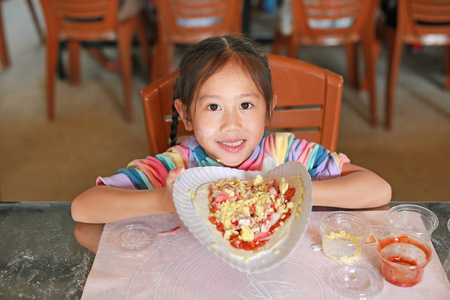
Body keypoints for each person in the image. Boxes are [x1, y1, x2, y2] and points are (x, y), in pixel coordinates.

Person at [71, 35, 391, 253]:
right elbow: (83, 211)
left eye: (246, 106)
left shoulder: (287, 154)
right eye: (213, 107)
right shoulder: (177, 167)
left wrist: (295, 188)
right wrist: (165, 201)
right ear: (186, 115)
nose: (231, 124)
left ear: (269, 110)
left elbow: (378, 191)